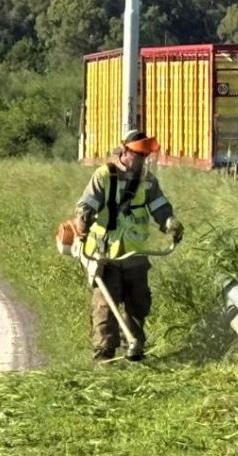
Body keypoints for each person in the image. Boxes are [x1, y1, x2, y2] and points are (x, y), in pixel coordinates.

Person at [73, 129, 184, 363]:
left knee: (138, 305)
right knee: (106, 308)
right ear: (125, 152)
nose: (143, 161)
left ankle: (134, 351)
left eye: (145, 156)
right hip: (106, 255)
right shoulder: (104, 176)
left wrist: (170, 222)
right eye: (139, 155)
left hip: (135, 255)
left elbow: (161, 208)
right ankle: (104, 356)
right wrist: (83, 220)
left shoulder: (148, 182)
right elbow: (86, 205)